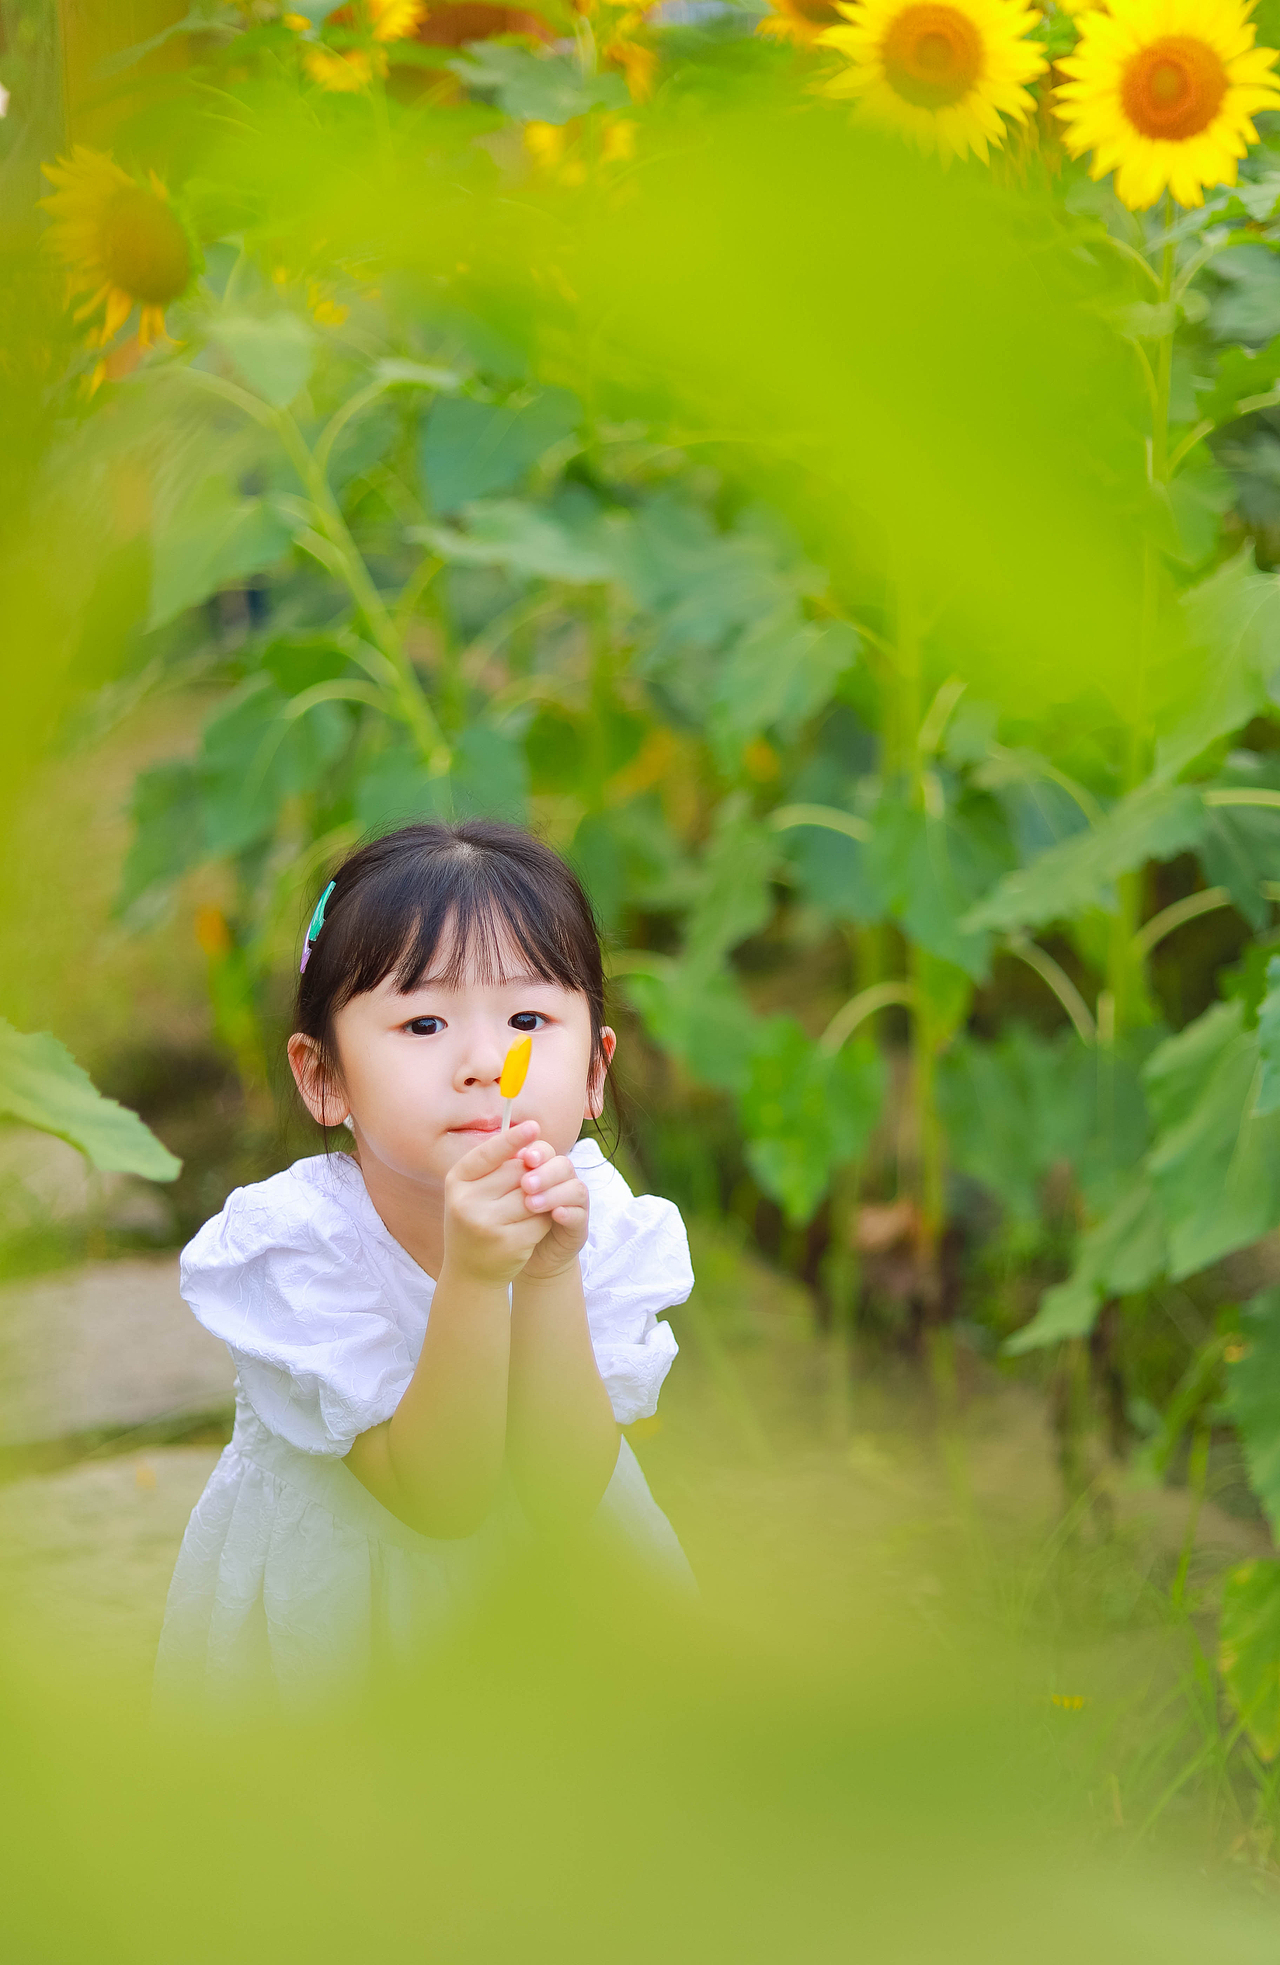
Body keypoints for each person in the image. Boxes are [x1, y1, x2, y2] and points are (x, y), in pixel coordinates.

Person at [154, 820, 694, 1709]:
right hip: (348, 1633)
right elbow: (440, 1501)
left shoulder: (604, 1227)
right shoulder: (300, 1247)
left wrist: (549, 1275)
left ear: (596, 1069)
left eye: (527, 1019)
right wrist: (478, 1279)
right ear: (323, 1076)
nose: (485, 1063)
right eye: (423, 1021)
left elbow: (564, 1493)